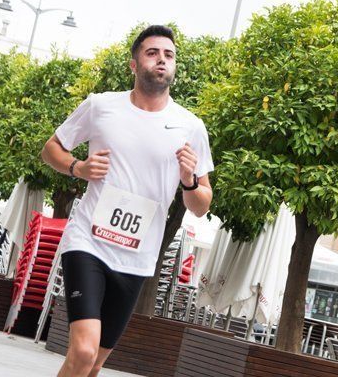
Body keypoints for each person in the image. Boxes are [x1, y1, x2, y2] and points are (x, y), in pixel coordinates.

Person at [41, 25, 214, 377]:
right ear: (134, 65)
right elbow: (51, 149)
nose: (161, 60)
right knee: (85, 349)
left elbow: (202, 204)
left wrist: (189, 181)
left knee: (94, 364)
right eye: (152, 53)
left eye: (168, 55)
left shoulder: (190, 126)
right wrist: (79, 167)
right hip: (88, 241)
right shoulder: (102, 106)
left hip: (137, 256)